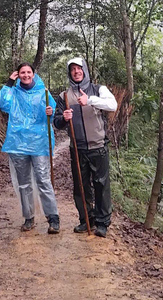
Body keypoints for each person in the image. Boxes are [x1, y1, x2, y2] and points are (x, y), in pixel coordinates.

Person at [53, 57, 117, 237]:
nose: (76, 72)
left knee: (101, 185)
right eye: (73, 69)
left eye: (79, 68)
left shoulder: (98, 89)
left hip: (98, 146)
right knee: (81, 187)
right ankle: (86, 220)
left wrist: (90, 100)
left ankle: (102, 222)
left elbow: (112, 105)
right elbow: (57, 123)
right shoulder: (64, 96)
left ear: (85, 70)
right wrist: (63, 118)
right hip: (77, 148)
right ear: (69, 73)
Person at [0, 63, 60, 234]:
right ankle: (28, 217)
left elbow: (54, 113)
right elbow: (1, 103)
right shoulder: (13, 92)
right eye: (22, 72)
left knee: (43, 180)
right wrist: (9, 82)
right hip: (18, 143)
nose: (25, 75)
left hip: (39, 142)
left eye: (28, 72)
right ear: (18, 74)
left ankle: (53, 218)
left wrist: (50, 112)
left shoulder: (43, 92)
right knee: (24, 183)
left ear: (33, 74)